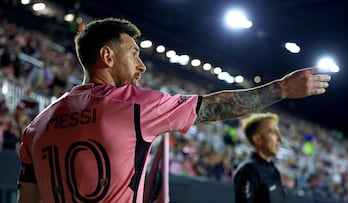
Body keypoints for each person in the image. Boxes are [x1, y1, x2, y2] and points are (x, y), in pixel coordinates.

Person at [17, 17, 331, 203]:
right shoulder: (133, 104)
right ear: (107, 56)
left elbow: (28, 201)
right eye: (134, 53)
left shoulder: (37, 125)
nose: (141, 66)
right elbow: (213, 106)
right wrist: (282, 89)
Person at [233, 113, 285, 203]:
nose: (280, 138)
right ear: (257, 139)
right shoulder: (249, 170)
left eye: (278, 132)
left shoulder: (274, 170)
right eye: (273, 132)